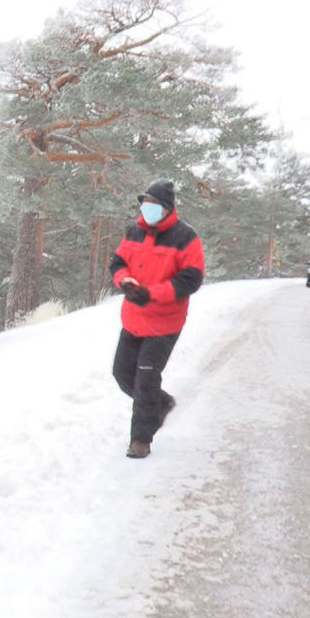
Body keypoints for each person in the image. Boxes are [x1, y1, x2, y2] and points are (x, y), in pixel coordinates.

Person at [108, 179, 204, 459]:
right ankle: (160, 404)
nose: (146, 209)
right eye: (144, 204)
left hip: (165, 323)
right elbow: (117, 262)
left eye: (152, 204)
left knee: (146, 379)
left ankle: (140, 440)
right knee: (122, 373)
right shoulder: (134, 231)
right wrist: (123, 280)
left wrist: (150, 294)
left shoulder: (186, 237)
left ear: (166, 208)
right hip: (133, 318)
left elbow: (190, 280)